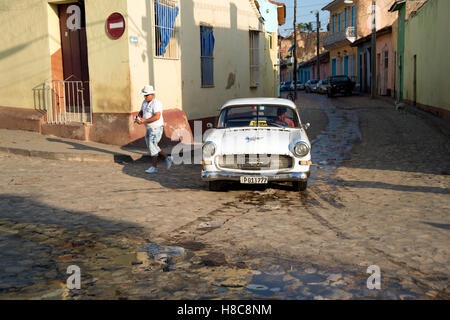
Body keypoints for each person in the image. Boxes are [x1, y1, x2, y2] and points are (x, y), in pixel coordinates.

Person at [135, 85, 173, 173]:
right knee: (152, 146)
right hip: (149, 128)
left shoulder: (156, 103)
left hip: (156, 128)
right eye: (144, 95)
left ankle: (154, 167)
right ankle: (167, 158)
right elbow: (141, 112)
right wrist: (138, 118)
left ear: (152, 94)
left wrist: (145, 120)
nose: (145, 97)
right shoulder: (144, 102)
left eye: (146, 95)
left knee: (152, 146)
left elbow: (157, 116)